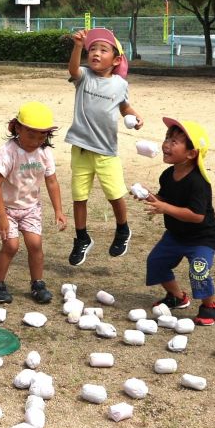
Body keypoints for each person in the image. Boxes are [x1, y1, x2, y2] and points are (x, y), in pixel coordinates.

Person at [65, 27, 143, 266]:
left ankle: (122, 229)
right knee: (79, 197)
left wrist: (134, 116)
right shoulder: (84, 76)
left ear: (116, 59)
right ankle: (82, 238)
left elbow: (124, 107)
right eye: (93, 49)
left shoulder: (120, 84)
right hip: (80, 149)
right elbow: (72, 69)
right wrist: (78, 46)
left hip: (106, 152)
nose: (96, 53)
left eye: (103, 50)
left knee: (115, 194)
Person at [134, 118, 215, 326]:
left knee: (198, 270)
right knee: (156, 262)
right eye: (167, 138)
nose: (166, 144)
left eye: (174, 142)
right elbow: (166, 200)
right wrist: (152, 197)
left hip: (201, 237)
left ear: (191, 154)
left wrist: (165, 208)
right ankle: (177, 297)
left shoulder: (199, 182)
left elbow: (196, 215)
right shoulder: (167, 175)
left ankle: (209, 305)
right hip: (175, 234)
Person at [0, 102, 67, 305]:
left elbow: (52, 181)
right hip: (7, 209)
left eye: (42, 136)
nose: (37, 141)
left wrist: (59, 210)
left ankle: (38, 283)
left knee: (35, 244)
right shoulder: (8, 152)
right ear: (17, 128)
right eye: (32, 135)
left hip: (31, 208)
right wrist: (2, 217)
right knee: (11, 246)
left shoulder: (44, 152)